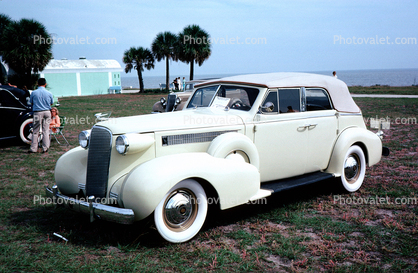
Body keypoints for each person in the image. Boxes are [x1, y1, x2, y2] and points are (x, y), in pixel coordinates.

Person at [29, 78, 53, 153]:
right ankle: (45, 148)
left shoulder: (33, 93)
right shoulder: (49, 93)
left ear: (37, 84)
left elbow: (31, 103)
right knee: (45, 130)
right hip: (47, 111)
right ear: (45, 84)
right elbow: (51, 103)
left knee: (35, 130)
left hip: (37, 112)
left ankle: (33, 148)